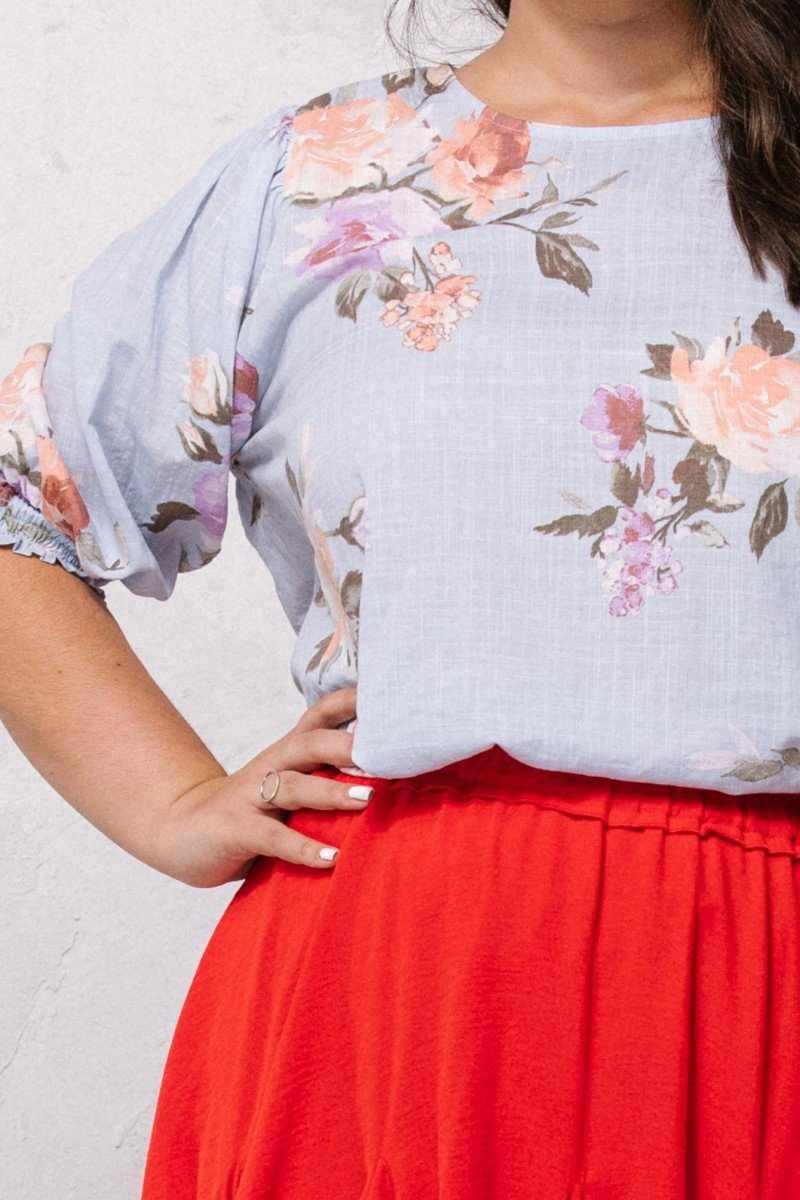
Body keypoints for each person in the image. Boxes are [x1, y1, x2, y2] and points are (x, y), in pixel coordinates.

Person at [2, 0, 800, 1195]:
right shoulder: (313, 180)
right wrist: (168, 802)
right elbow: (25, 511)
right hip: (391, 979)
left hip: (762, 979)